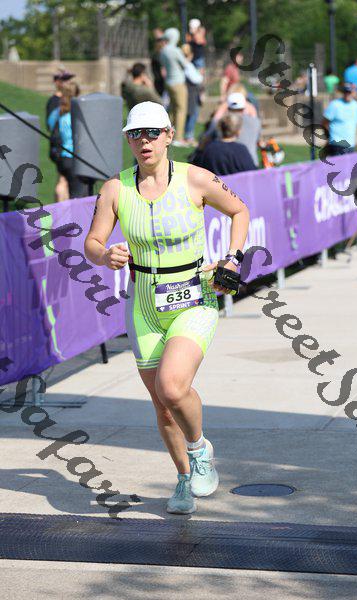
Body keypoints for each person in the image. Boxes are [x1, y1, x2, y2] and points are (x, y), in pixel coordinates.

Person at [83, 101, 250, 515]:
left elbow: (240, 210)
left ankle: (199, 448)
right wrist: (105, 255)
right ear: (127, 140)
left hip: (194, 297)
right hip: (144, 305)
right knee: (162, 405)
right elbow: (92, 243)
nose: (144, 141)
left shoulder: (197, 178)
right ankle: (184, 478)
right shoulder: (115, 188)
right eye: (135, 134)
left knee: (172, 387)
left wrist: (233, 259)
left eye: (152, 133)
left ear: (169, 136)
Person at [47, 81, 89, 200]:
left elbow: (50, 125)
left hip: (61, 157)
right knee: (78, 194)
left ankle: (60, 209)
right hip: (74, 157)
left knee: (62, 182)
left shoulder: (58, 112)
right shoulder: (76, 113)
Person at [160, 27, 188, 145]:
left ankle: (167, 135)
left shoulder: (163, 50)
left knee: (172, 110)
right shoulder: (175, 50)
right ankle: (178, 138)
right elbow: (185, 64)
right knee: (181, 110)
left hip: (168, 82)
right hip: (178, 82)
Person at [322, 83, 357, 156]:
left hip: (351, 144)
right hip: (337, 143)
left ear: (353, 93)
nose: (347, 94)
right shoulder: (335, 104)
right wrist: (329, 137)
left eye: (349, 92)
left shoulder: (356, 106)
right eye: (345, 92)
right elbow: (324, 122)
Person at [182, 43, 203, 145]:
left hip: (188, 90)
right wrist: (200, 75)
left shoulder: (182, 64)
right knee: (193, 113)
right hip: (192, 91)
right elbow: (197, 79)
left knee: (189, 113)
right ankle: (189, 136)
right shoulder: (188, 65)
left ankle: (187, 135)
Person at [151, 32, 167, 98]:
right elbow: (163, 71)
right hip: (161, 81)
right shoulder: (160, 55)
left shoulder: (155, 54)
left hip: (157, 80)